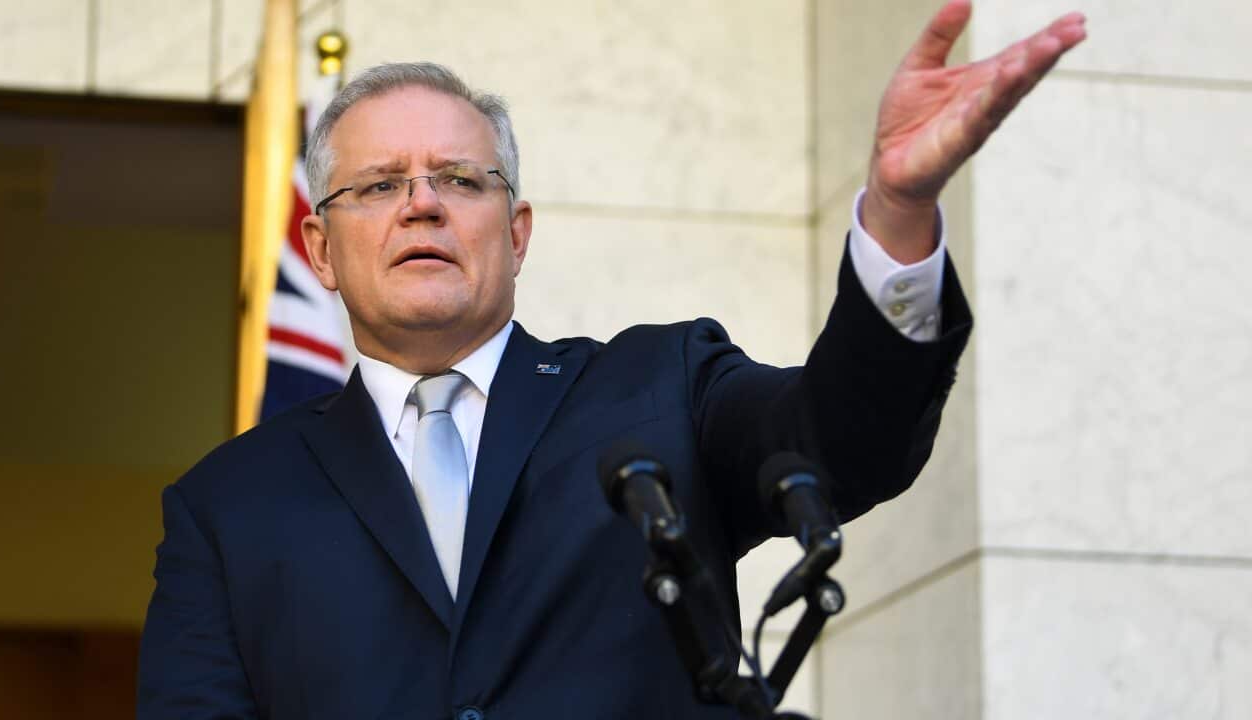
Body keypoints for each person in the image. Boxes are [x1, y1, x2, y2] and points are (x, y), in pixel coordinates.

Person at [138, 2, 1086, 717]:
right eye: (380, 184)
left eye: (460, 180)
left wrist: (897, 211)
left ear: (517, 234)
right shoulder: (225, 508)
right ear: (318, 251)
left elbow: (843, 444)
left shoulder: (659, 389)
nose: (421, 203)